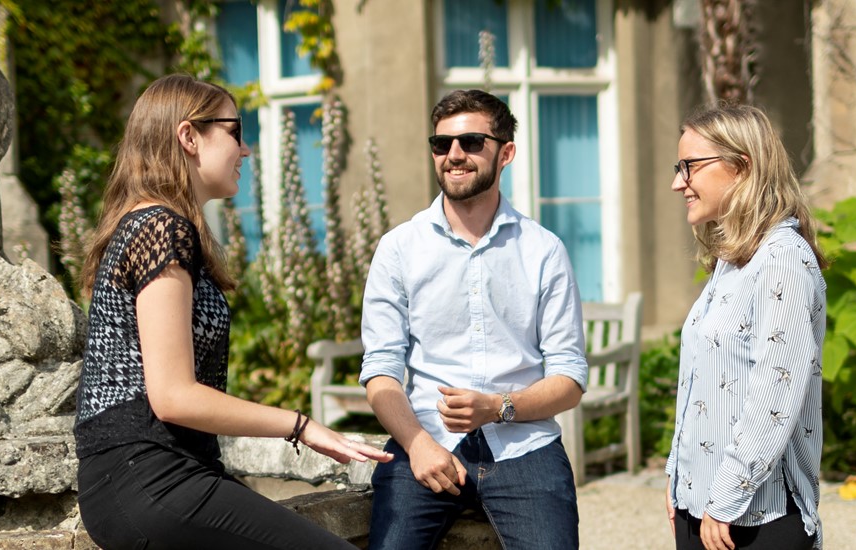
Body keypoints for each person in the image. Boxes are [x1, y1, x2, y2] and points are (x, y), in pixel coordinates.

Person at [73, 74, 392, 550]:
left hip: (152, 475)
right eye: (235, 131)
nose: (246, 150)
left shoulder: (152, 223)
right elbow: (173, 396)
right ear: (188, 137)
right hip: (146, 477)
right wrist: (301, 426)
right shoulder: (162, 227)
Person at [358, 89, 590, 550]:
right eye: (442, 145)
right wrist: (417, 443)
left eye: (471, 143)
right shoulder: (398, 248)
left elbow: (570, 377)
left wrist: (498, 407)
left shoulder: (543, 250)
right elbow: (380, 369)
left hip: (525, 448)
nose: (454, 156)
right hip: (422, 440)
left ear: (506, 152)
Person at [665, 104, 827, 550]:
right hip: (704, 509)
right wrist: (678, 476)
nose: (678, 182)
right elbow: (703, 384)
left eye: (690, 167)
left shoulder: (783, 258)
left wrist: (725, 499)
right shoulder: (732, 260)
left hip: (755, 516)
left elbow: (776, 390)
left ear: (742, 167)